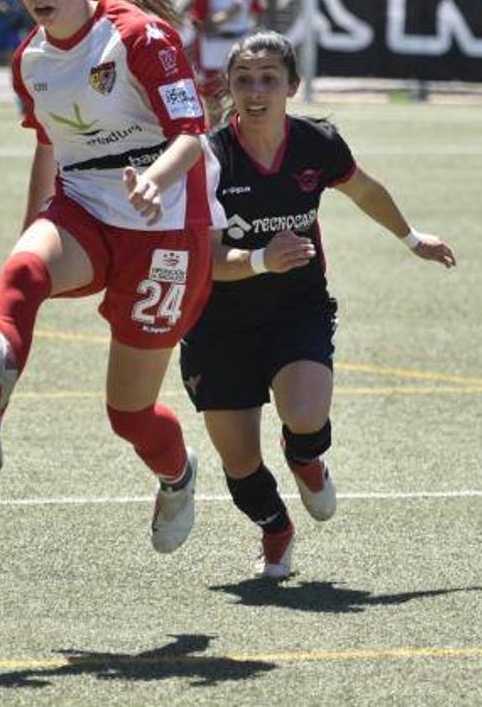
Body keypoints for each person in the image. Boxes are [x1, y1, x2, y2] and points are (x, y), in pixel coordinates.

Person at [0, 0, 226, 556]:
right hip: (86, 207)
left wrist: (153, 180)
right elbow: (48, 147)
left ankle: (177, 475)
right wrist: (30, 234)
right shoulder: (31, 60)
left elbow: (191, 133)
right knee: (22, 273)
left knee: (129, 415)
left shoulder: (140, 37)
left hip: (164, 228)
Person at [179, 30, 456, 578]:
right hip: (218, 322)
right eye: (243, 80)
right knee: (240, 463)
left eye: (269, 79)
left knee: (306, 416)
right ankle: (276, 528)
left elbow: (365, 190)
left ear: (292, 86)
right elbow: (204, 261)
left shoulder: (317, 144)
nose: (256, 92)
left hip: (295, 307)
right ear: (228, 86)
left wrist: (411, 238)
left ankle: (304, 456)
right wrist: (263, 258)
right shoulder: (210, 158)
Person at [188, 0, 267, 127]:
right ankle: (215, 138)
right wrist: (224, 17)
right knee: (213, 99)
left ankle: (236, 136)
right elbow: (197, 23)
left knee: (241, 96)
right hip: (213, 47)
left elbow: (259, 14)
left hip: (239, 46)